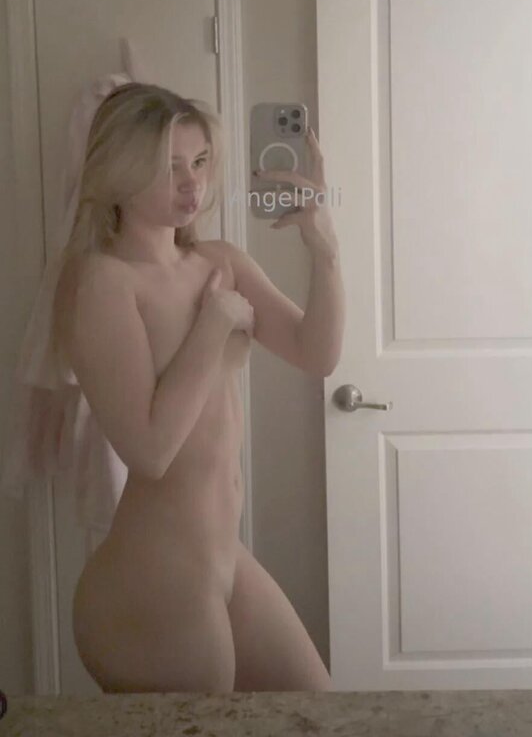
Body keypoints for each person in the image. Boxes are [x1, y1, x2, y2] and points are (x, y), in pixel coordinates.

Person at [52, 81, 346, 693]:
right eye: (171, 167)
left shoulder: (220, 261)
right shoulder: (103, 282)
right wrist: (213, 326)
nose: (193, 184)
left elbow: (316, 354)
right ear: (120, 171)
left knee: (319, 713)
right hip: (153, 581)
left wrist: (325, 250)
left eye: (201, 161)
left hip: (223, 556)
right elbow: (150, 451)